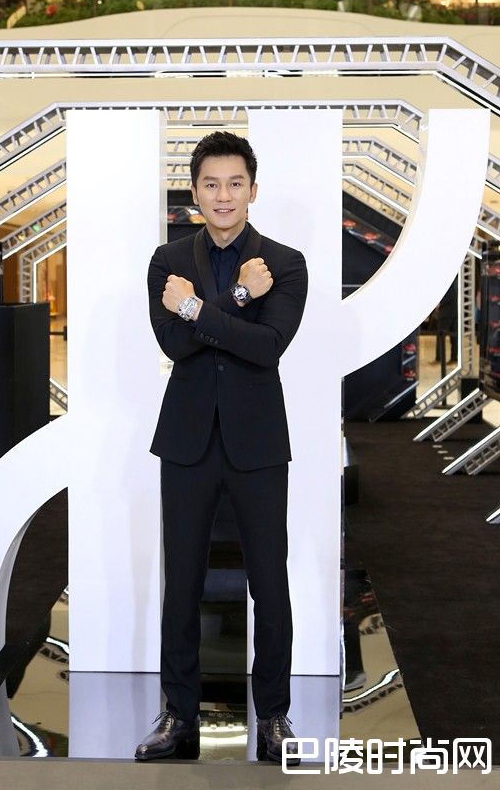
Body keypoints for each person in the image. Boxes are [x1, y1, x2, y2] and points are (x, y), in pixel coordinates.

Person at [137, 131, 308, 764]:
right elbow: (176, 347)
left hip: (257, 443)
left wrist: (202, 308)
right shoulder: (167, 260)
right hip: (186, 441)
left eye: (235, 183)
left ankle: (275, 717)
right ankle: (178, 715)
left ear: (253, 190)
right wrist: (237, 301)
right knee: (181, 582)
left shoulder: (284, 263)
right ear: (194, 192)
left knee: (271, 583)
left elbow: (267, 348)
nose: (224, 195)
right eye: (211, 184)